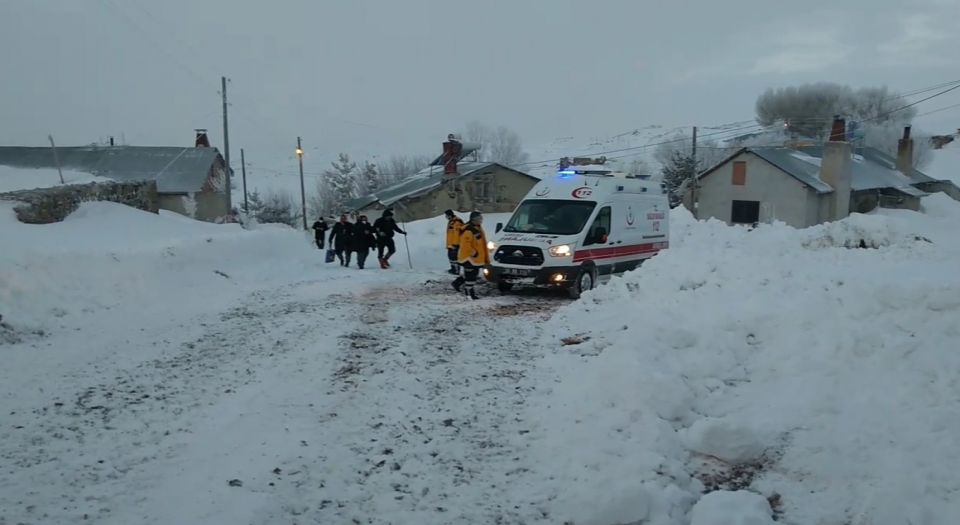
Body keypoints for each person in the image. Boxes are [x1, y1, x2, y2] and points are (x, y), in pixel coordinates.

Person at [452, 211, 489, 300]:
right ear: (474, 219)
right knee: (470, 276)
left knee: (472, 274)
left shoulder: (477, 228)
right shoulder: (468, 230)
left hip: (476, 258)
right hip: (469, 258)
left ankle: (458, 284)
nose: (481, 220)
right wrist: (474, 253)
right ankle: (469, 293)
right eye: (479, 218)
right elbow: (465, 245)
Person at [444, 209, 464, 275]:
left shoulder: (457, 222)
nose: (446, 217)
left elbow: (457, 234)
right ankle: (453, 268)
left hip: (455, 244)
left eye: (446, 215)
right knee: (450, 257)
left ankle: (456, 270)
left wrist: (455, 244)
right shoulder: (451, 221)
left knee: (454, 258)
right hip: (450, 244)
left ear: (450, 215)